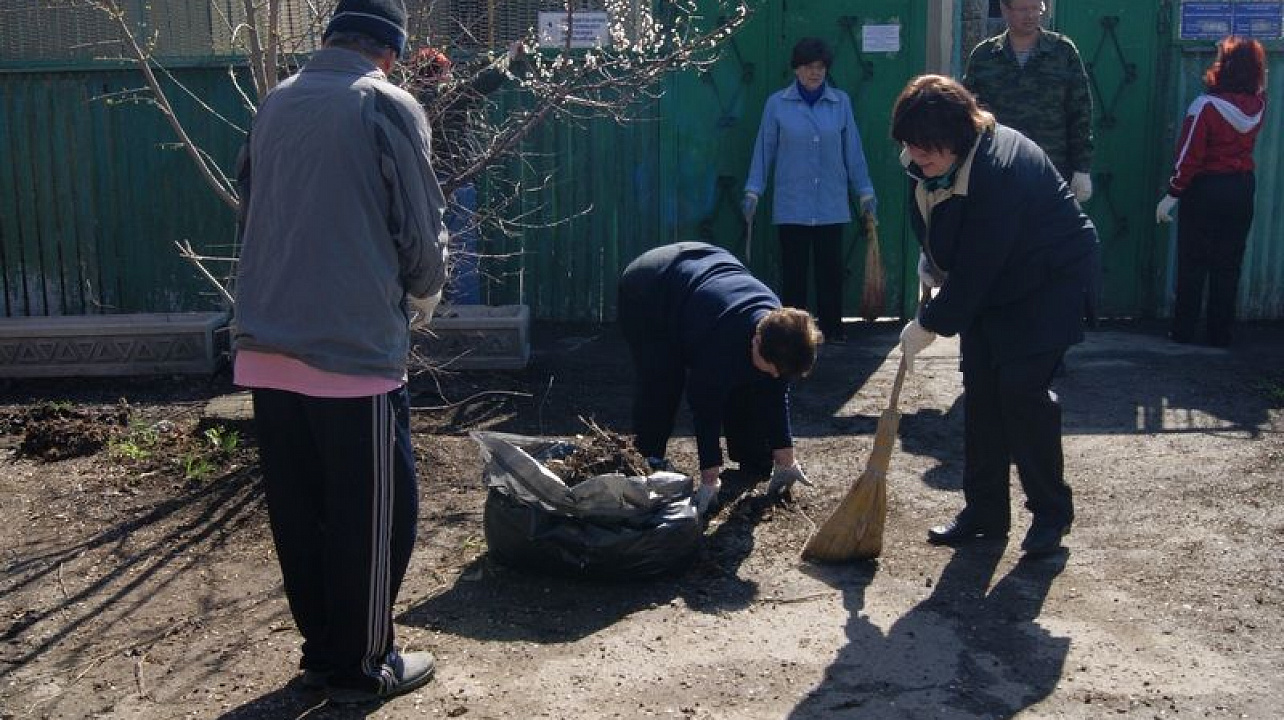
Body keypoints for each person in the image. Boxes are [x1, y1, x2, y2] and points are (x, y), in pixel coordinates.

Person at [231, 0, 448, 703]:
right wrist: (425, 291)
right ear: (389, 51)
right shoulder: (383, 104)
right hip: (352, 355)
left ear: (329, 38)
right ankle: (363, 665)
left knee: (302, 513)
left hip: (267, 345)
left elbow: (250, 208)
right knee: (380, 514)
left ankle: (324, 654)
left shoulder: (275, 104)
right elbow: (419, 227)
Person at [893, 74, 1098, 557]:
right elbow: (934, 217)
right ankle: (985, 512)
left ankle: (1051, 513)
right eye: (910, 144)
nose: (915, 155)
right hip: (998, 283)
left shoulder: (999, 169)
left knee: (1022, 392)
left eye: (925, 146)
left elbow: (980, 266)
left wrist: (930, 323)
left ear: (956, 136)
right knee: (982, 393)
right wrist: (933, 259)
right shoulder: (930, 161)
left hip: (1049, 282)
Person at [617, 242, 822, 513]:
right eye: (773, 368)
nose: (776, 376)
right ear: (756, 341)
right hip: (650, 285)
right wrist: (709, 480)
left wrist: (786, 460)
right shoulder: (722, 343)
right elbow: (705, 409)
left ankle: (750, 455)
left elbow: (775, 390)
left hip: (707, 266)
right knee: (663, 379)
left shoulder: (782, 332)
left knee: (754, 381)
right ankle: (647, 461)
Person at [743, 37, 877, 345]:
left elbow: (853, 151)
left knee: (830, 271)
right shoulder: (777, 104)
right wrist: (753, 190)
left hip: (830, 202)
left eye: (820, 67)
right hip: (793, 203)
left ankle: (833, 329)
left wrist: (865, 190)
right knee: (794, 273)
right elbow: (764, 150)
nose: (814, 73)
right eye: (807, 67)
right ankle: (795, 335)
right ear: (796, 69)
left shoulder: (840, 103)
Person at [1155, 36, 1266, 348]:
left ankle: (1183, 331)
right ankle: (1220, 335)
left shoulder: (1204, 107)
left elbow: (1189, 156)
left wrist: (1172, 195)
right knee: (1228, 263)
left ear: (1224, 67)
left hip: (1206, 189)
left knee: (1193, 261)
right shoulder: (1259, 105)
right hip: (1242, 187)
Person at [411, 41, 524, 305]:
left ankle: (428, 307)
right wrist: (508, 57)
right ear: (438, 73)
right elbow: (482, 83)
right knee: (462, 248)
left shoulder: (407, 101)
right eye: (446, 70)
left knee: (426, 250)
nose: (450, 74)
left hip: (421, 185)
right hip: (454, 178)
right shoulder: (449, 96)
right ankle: (464, 307)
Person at [962, 0, 1094, 204]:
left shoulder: (1062, 51)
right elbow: (969, 113)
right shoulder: (984, 56)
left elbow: (1080, 111)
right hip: (999, 168)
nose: (1030, 15)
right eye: (1023, 9)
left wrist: (1081, 169)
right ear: (1005, 9)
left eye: (1036, 8)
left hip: (1052, 168)